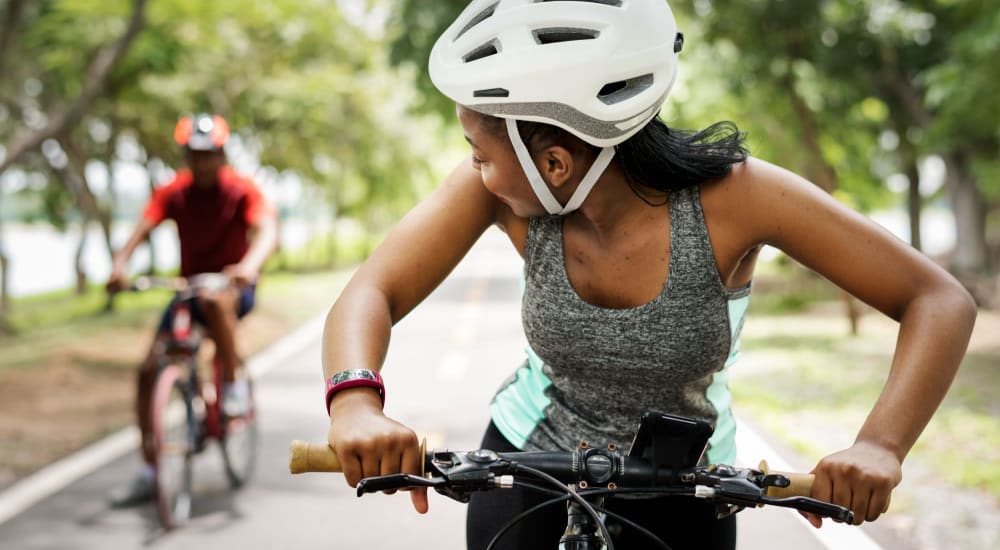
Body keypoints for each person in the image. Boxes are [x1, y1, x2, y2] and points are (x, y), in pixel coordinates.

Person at [321, 1, 977, 549]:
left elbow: (937, 299)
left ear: (554, 163)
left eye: (480, 152)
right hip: (529, 465)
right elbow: (372, 291)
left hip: (684, 482)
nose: (476, 170)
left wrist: (879, 447)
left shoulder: (736, 199)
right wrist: (355, 403)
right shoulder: (498, 192)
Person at [106, 113, 278, 507]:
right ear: (185, 155)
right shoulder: (173, 192)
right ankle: (150, 470)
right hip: (187, 289)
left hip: (232, 289)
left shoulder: (240, 189)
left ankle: (232, 388)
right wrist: (120, 266)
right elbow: (140, 230)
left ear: (221, 155)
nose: (202, 163)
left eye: (210, 154)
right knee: (148, 369)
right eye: (194, 155)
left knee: (215, 301)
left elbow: (269, 231)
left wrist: (248, 268)